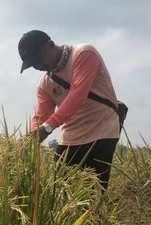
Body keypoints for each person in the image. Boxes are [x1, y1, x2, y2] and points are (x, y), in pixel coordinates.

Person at [19, 30, 121, 189]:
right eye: (33, 64)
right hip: (71, 137)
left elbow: (77, 94)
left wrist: (47, 127)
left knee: (93, 192)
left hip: (102, 131)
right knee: (58, 191)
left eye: (38, 59)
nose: (38, 66)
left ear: (50, 45)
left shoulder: (84, 54)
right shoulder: (45, 84)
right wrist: (29, 140)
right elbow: (40, 117)